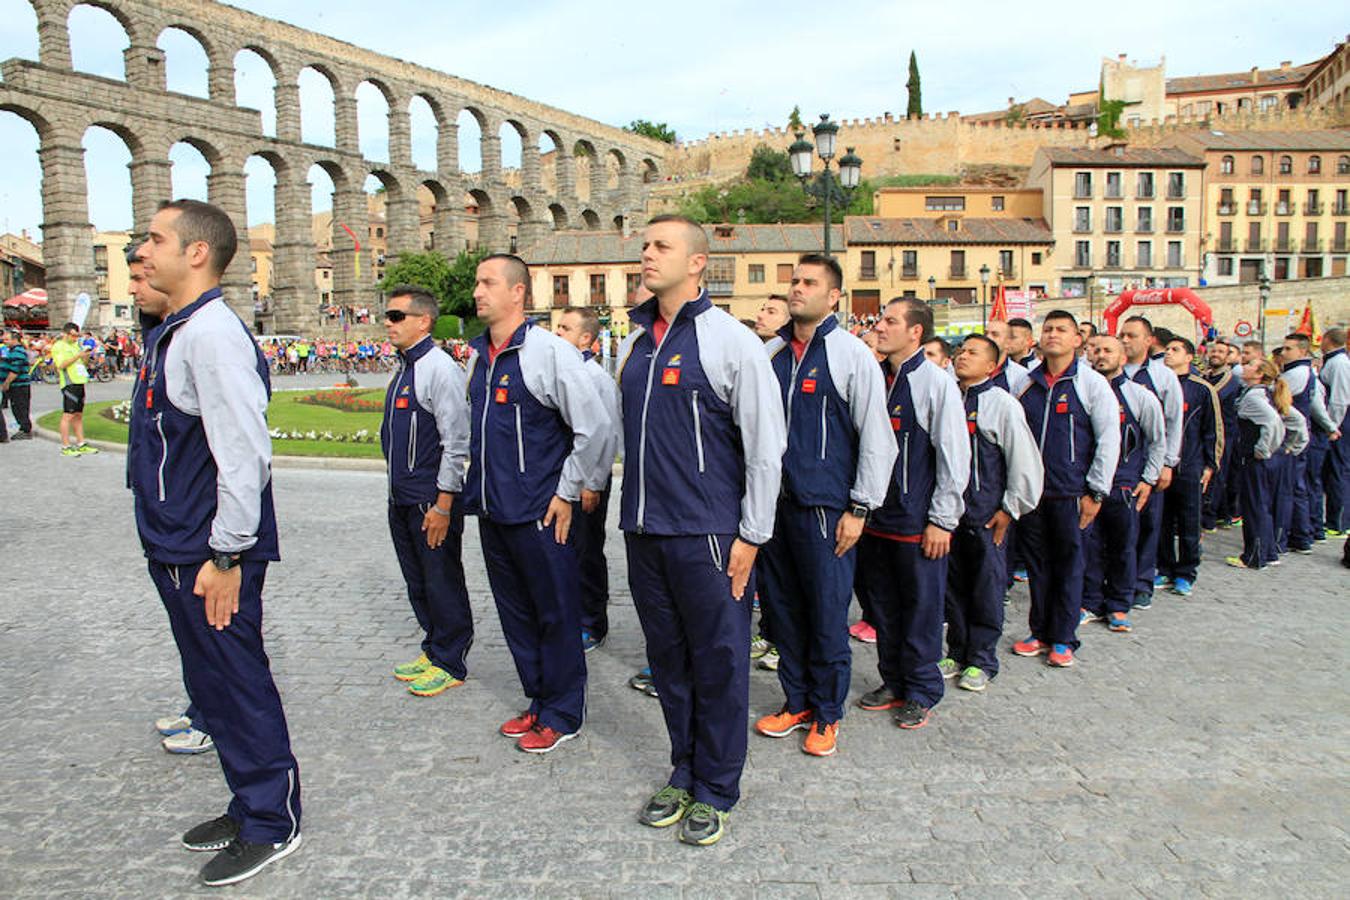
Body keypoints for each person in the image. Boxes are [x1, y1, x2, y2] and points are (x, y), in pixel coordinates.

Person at [131, 199, 300, 886]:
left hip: (209, 555)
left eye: (154, 239)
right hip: (178, 546)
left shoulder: (211, 335)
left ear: (196, 252)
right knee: (211, 685)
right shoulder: (180, 331)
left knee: (236, 683)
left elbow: (244, 453)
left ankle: (272, 821)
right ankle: (246, 801)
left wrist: (227, 554)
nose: (141, 251)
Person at [617, 215, 784, 846]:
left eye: (661, 246)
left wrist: (751, 535)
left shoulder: (727, 340)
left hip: (709, 534)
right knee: (669, 662)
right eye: (645, 245)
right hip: (645, 532)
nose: (646, 254)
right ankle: (682, 771)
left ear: (696, 263)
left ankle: (717, 786)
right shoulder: (634, 342)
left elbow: (767, 446)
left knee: (718, 663)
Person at [462, 254, 612, 754]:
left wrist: (568, 490)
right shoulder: (478, 355)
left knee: (554, 614)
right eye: (477, 283)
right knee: (517, 615)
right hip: (492, 508)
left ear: (518, 292)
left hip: (540, 513)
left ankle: (564, 711)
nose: (478, 291)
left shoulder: (549, 353)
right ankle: (540, 699)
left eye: (488, 283)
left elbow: (595, 429)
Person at [755, 254, 895, 757]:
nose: (796, 289)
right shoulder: (771, 354)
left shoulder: (849, 354)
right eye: (793, 280)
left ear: (833, 297)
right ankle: (798, 702)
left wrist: (860, 507)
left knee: (826, 613)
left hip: (826, 508)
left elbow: (877, 437)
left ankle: (829, 712)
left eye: (809, 283)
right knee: (784, 612)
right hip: (774, 508)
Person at [855, 297, 970, 727]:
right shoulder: (875, 377)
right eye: (881, 319)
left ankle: (922, 689)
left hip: (916, 522)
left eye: (890, 321)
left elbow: (954, 457)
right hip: (875, 521)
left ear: (916, 331)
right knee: (882, 607)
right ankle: (894, 679)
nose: (879, 327)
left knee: (921, 609)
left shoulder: (934, 383)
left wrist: (942, 519)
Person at [1011, 310, 1120, 668]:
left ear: (1077, 340)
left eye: (1061, 330)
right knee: (1038, 566)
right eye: (1048, 329)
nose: (1053, 335)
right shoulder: (1024, 383)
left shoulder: (1090, 384)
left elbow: (1108, 440)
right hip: (1033, 495)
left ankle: (1063, 637)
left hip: (1071, 492)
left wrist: (1097, 490)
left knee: (1069, 566)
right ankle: (1039, 630)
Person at [381, 285, 474, 698]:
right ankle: (433, 645)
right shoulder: (404, 367)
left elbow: (456, 442)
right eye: (387, 315)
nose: (388, 322)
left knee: (441, 579)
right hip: (401, 496)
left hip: (429, 500)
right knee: (417, 580)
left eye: (396, 316)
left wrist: (443, 503)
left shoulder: (439, 369)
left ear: (423, 321)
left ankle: (450, 659)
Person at [941, 334, 1042, 690]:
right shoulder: (946, 396)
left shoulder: (1001, 404)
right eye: (961, 351)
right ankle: (956, 649)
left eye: (973, 353)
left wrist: (1010, 508)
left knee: (986, 587)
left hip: (985, 516)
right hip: (947, 516)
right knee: (952, 587)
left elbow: (1023, 461)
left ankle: (982, 658)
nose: (963, 357)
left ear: (992, 365)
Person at [1082, 335, 1166, 634]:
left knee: (1123, 547)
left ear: (1123, 357)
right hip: (1088, 487)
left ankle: (1119, 604)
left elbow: (1157, 441)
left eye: (1108, 350)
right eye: (1096, 350)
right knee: (1088, 547)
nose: (1100, 355)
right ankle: (1090, 601)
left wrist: (1148, 478)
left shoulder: (1139, 396)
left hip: (1124, 486)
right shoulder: (1084, 391)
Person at [554, 305, 621, 652]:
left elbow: (606, 434)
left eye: (565, 328)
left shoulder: (596, 378)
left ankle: (592, 622)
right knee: (565, 550)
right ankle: (570, 614)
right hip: (563, 479)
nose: (557, 333)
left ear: (586, 339)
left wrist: (593, 483)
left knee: (586, 550)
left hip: (586, 482)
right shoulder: (562, 371)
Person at [1119, 316, 1182, 610]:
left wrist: (1167, 463)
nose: (1125, 340)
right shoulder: (1106, 373)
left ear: (1149, 340)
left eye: (1132, 335)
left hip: (1147, 463)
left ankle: (1142, 583)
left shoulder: (1161, 376)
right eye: (1122, 335)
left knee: (1147, 525)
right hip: (1117, 466)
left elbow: (1171, 422)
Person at [1156, 337, 1222, 595]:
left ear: (1189, 357)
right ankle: (1163, 568)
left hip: (1191, 464)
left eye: (1175, 350)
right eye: (1167, 349)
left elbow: (1213, 429)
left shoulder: (1202, 389)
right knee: (1161, 520)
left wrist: (1210, 464)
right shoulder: (1158, 383)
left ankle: (1186, 572)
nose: (1169, 354)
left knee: (1188, 521)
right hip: (1162, 465)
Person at [1225, 360, 1290, 570]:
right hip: (1265, 458)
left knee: (1254, 506)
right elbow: (1292, 419)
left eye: (1250, 364)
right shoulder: (1265, 393)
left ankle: (1254, 555)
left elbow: (1273, 422)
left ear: (1259, 373)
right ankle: (1268, 551)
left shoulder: (1254, 396)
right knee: (1262, 505)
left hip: (1255, 459)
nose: (1244, 366)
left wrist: (1264, 449)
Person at [1279, 333, 1340, 552]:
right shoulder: (1306, 372)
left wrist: (1332, 427)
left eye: (1288, 349)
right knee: (1303, 487)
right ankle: (1307, 532)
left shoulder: (1296, 374)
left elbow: (1287, 405)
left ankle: (1297, 535)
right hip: (1305, 437)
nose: (1284, 353)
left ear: (1302, 351)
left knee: (1295, 487)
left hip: (1296, 438)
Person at [1202, 340, 1243, 531]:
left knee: (1217, 475)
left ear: (1228, 357)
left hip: (1224, 434)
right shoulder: (1206, 376)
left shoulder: (1230, 380)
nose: (1215, 354)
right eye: (1213, 351)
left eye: (1220, 352)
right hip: (1207, 432)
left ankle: (1210, 517)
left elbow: (1210, 397)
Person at [50, 321, 98, 456]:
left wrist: (86, 356)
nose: (75, 338)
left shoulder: (75, 345)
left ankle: (81, 443)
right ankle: (65, 446)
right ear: (65, 334)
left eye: (77, 336)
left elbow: (82, 363)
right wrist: (78, 355)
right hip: (69, 383)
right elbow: (61, 365)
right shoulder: (59, 346)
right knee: (68, 415)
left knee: (78, 415)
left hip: (79, 381)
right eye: (73, 335)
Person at [1320, 328, 1350, 536]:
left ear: (1327, 340)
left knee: (1338, 471)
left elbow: (1339, 399)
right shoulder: (1335, 361)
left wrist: (1332, 426)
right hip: (1339, 423)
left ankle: (1338, 521)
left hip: (1340, 424)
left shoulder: (1338, 363)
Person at [1, 330, 34, 441]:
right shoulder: (12, 351)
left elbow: (14, 371)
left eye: (7, 339)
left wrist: (6, 383)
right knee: (17, 407)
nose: (4, 342)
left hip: (19, 385)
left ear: (14, 340)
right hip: (17, 385)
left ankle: (25, 430)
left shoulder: (18, 352)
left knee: (21, 407)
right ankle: (24, 428)